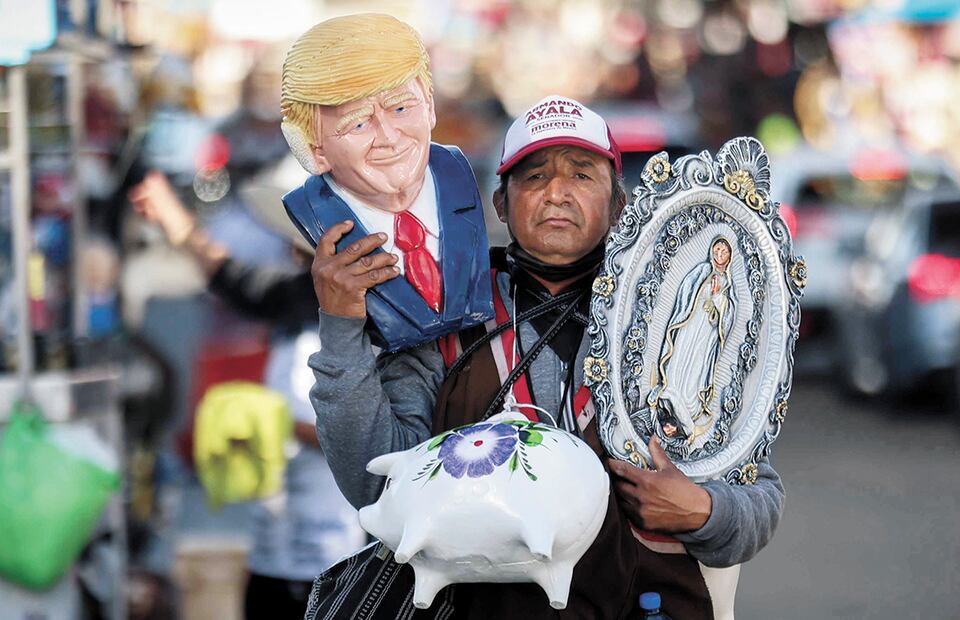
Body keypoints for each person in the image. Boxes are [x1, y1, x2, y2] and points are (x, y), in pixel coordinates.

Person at [308, 95, 784, 619]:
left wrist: (704, 512)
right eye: (534, 177)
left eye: (582, 175)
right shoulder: (443, 314)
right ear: (500, 205)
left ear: (620, 203)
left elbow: (757, 495)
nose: (556, 193)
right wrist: (342, 324)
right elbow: (374, 485)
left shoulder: (673, 306)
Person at [129, 163, 367, 619]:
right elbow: (232, 278)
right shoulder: (299, 294)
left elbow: (371, 434)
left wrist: (277, 423)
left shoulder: (378, 312)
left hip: (341, 549)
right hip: (277, 545)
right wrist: (175, 221)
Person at [279, 14, 493, 352]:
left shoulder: (467, 186)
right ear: (311, 149)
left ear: (430, 106)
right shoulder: (321, 221)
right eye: (359, 124)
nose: (390, 138)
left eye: (400, 108)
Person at [646, 237, 738, 450]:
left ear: (730, 257)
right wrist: (700, 299)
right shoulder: (701, 272)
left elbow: (728, 318)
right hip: (690, 326)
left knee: (696, 370)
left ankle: (688, 409)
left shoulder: (727, 285)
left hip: (706, 334)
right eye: (717, 249)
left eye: (724, 252)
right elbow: (686, 294)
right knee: (679, 360)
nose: (720, 254)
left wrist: (718, 300)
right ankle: (670, 393)